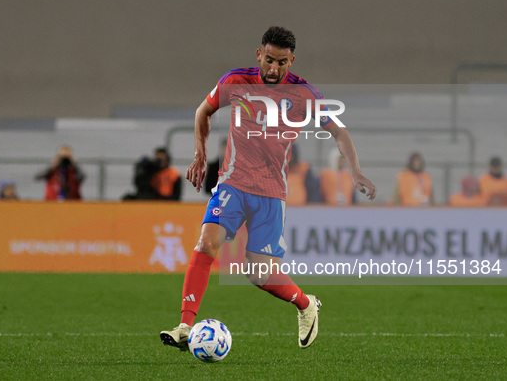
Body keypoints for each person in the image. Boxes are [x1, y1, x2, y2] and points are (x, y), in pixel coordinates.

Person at [160, 26, 376, 351]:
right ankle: (185, 326)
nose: (274, 69)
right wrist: (200, 155)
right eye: (269, 60)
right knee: (206, 245)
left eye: (282, 63)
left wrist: (356, 172)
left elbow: (340, 134)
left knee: (258, 274)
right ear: (259, 54)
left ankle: (305, 305)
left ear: (292, 60)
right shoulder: (235, 82)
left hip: (271, 194)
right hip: (232, 183)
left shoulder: (304, 94)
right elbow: (202, 112)